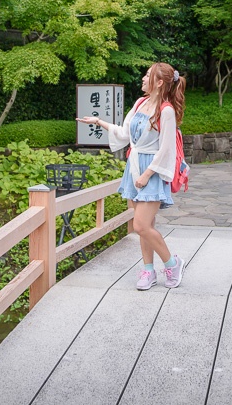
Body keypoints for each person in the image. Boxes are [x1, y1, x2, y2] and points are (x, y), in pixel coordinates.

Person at [76, 62, 186, 290]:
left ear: (159, 82)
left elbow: (166, 149)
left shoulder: (166, 111)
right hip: (134, 167)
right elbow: (125, 133)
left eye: (148, 76)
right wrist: (98, 122)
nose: (143, 79)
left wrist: (146, 175)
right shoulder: (139, 103)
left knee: (141, 225)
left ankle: (173, 264)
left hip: (151, 172)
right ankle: (148, 271)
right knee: (146, 224)